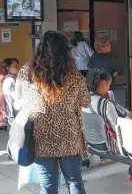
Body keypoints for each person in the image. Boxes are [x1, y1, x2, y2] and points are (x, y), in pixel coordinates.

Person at [15, 31, 90, 194]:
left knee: (48, 185)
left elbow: (19, 97)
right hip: (69, 136)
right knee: (75, 181)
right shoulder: (73, 74)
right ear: (65, 50)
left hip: (41, 137)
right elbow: (86, 101)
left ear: (40, 48)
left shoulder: (27, 72)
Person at [83, 69, 132, 180]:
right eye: (108, 84)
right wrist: (128, 118)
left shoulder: (83, 100)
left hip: (91, 142)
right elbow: (118, 128)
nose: (109, 88)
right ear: (102, 84)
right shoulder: (106, 104)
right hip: (107, 146)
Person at [0, 58, 20, 127]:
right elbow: (17, 98)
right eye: (15, 66)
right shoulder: (10, 80)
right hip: (14, 117)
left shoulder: (6, 80)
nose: (18, 68)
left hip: (9, 117)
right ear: (8, 68)